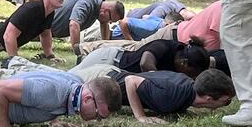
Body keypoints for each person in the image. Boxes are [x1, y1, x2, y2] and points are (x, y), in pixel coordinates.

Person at [0, 69, 121, 127]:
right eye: (98, 115)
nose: (97, 120)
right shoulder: (51, 91)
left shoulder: (76, 84)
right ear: (88, 98)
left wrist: (54, 121)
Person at [103, 68, 235, 122]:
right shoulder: (171, 96)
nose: (226, 104)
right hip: (102, 80)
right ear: (209, 99)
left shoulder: (187, 89)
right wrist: (141, 117)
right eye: (226, 101)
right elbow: (130, 80)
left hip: (111, 73)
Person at [76, 35, 212, 77]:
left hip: (115, 71)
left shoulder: (181, 58)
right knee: (73, 78)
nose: (191, 77)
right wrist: (160, 80)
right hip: (110, 60)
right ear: (184, 62)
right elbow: (145, 63)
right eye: (192, 73)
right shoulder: (164, 46)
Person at [0, 0, 65, 58]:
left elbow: (45, 34)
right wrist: (15, 60)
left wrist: (49, 56)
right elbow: (8, 36)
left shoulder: (49, 12)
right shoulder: (30, 9)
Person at [48, 0, 123, 54]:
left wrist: (105, 47)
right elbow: (74, 24)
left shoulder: (99, 6)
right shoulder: (86, 2)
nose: (109, 23)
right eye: (110, 20)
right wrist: (78, 51)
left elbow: (104, 23)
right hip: (42, 27)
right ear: (104, 11)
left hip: (52, 31)